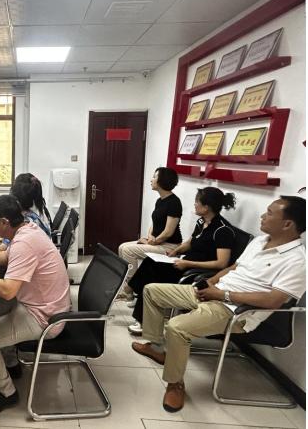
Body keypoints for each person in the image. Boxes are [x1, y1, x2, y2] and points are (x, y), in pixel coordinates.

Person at [132, 196, 306, 413]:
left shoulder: (298, 261)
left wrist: (222, 295)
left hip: (236, 311)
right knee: (152, 291)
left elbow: (273, 300)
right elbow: (235, 267)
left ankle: (175, 384)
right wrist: (212, 282)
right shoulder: (260, 241)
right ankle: (157, 347)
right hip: (216, 292)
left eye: (269, 213)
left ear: (287, 224)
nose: (263, 215)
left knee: (177, 327)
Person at [0, 195, 71, 415]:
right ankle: (11, 364)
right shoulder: (27, 230)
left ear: (3, 222)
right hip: (42, 305)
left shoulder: (24, 243)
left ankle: (7, 393)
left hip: (45, 318)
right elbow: (8, 257)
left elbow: (8, 290)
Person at [127, 187, 236, 335]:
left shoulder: (222, 230)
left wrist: (188, 264)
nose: (194, 204)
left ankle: (144, 319)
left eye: (196, 201)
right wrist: (176, 251)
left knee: (152, 276)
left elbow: (221, 263)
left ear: (206, 207)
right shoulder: (202, 222)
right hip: (185, 264)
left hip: (196, 272)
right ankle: (136, 295)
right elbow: (190, 243)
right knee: (150, 263)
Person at [118, 167, 183, 306]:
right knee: (122, 247)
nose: (151, 180)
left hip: (169, 246)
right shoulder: (160, 200)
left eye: (154, 177)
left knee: (128, 250)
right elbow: (154, 223)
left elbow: (169, 232)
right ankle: (130, 287)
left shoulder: (174, 202)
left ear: (162, 180)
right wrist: (149, 237)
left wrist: (153, 242)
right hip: (157, 242)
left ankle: (130, 289)